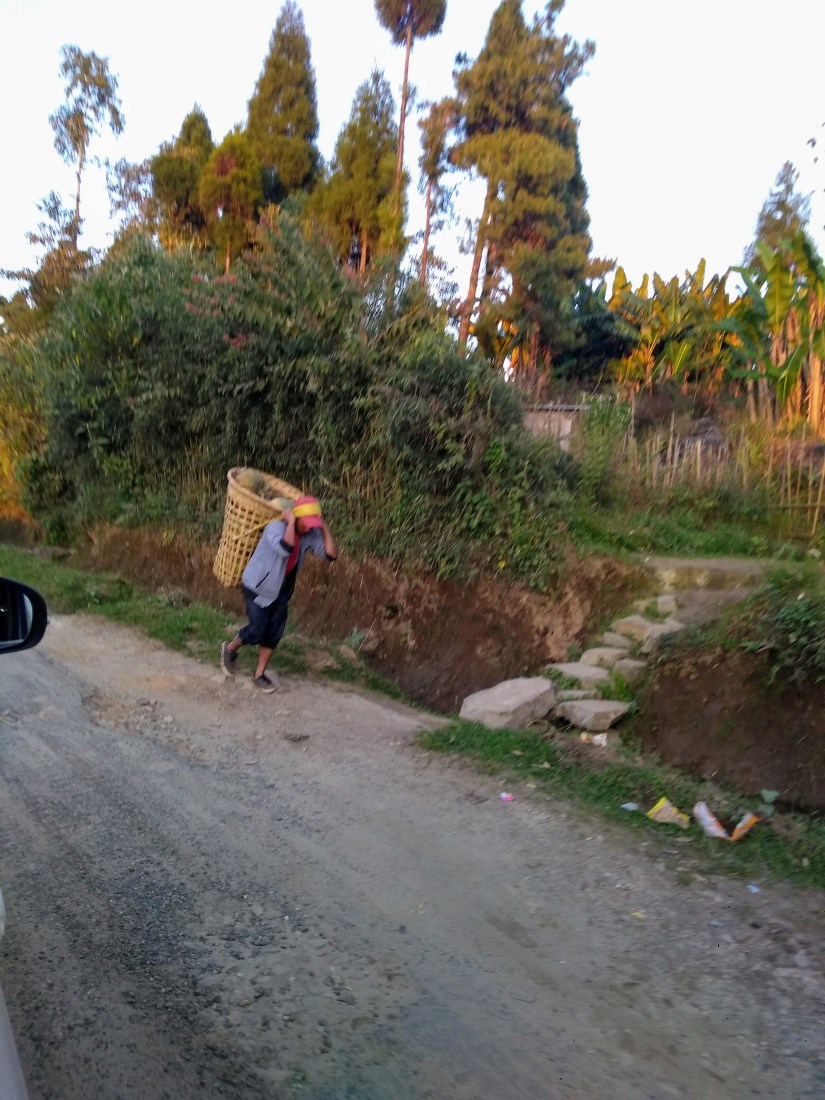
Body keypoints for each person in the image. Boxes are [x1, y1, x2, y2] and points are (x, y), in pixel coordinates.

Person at [220, 495, 338, 692]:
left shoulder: (310, 532)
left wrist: (323, 526)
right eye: (306, 523)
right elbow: (285, 549)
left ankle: (259, 674)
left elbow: (331, 554)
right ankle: (230, 648)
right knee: (258, 630)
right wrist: (290, 522)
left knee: (274, 631)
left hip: (282, 588)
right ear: (295, 517)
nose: (309, 528)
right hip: (258, 585)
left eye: (312, 525)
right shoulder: (275, 528)